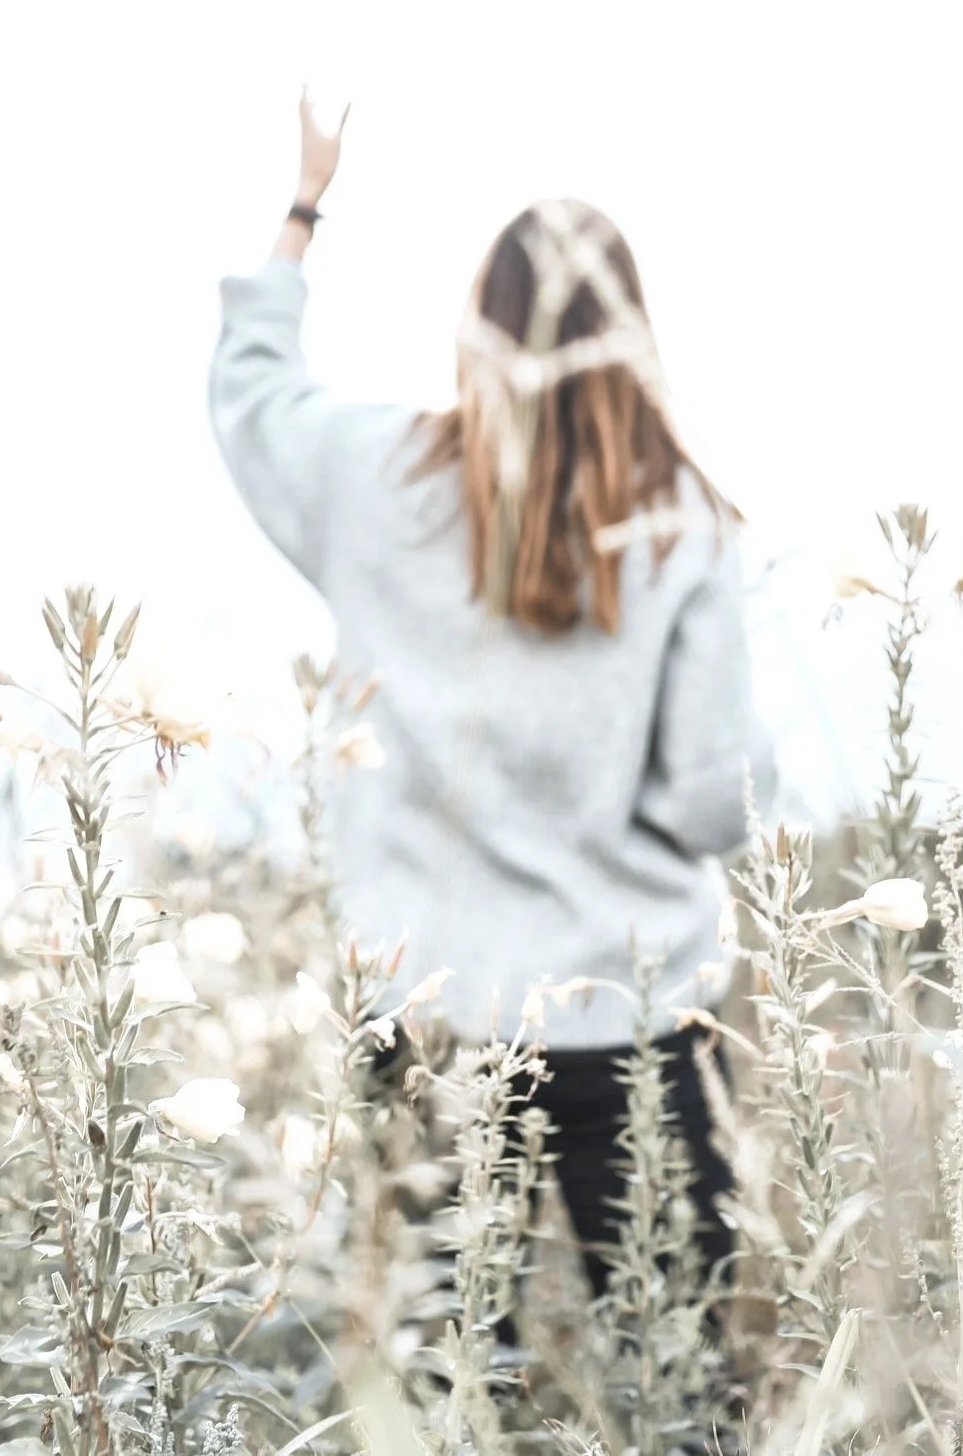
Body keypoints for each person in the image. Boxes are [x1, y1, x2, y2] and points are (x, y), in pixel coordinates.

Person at [208, 92, 775, 1295]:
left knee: (442, 1375)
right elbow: (714, 800)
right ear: (637, 334)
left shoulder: (375, 478)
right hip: (636, 1020)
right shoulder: (681, 527)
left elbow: (253, 393)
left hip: (422, 1019)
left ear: (478, 322)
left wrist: (306, 205)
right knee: (676, 1378)